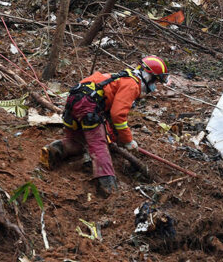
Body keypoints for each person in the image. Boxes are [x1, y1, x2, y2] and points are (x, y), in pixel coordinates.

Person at [40, 56, 169, 196]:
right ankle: (108, 188)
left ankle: (55, 149)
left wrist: (116, 137)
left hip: (75, 101)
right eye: (155, 80)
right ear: (148, 75)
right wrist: (128, 140)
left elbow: (109, 115)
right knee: (98, 145)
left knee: (78, 142)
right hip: (88, 106)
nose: (154, 85)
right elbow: (118, 115)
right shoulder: (132, 84)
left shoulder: (121, 77)